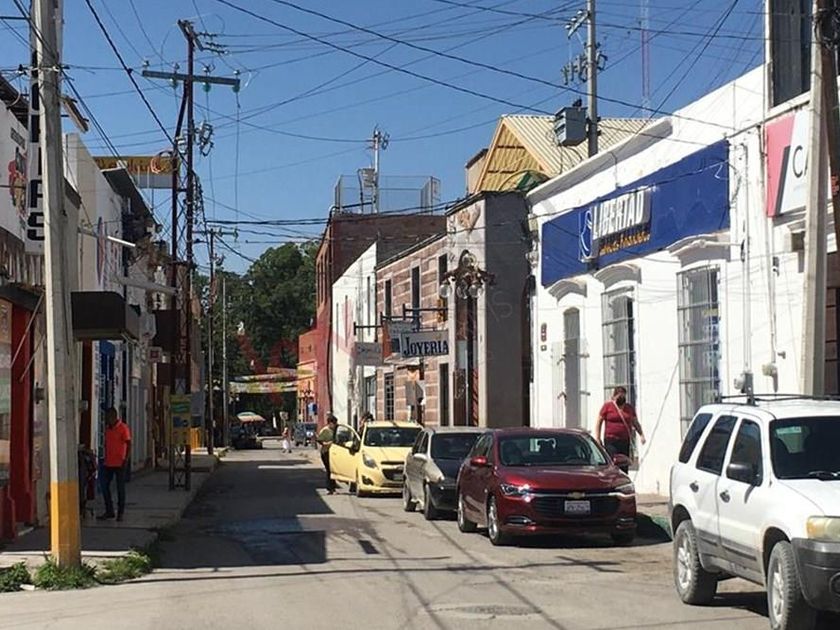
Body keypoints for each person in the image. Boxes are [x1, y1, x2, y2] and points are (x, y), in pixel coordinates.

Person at [594, 386, 646, 473]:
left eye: (623, 396)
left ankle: (623, 480)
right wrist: (598, 438)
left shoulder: (629, 408)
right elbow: (599, 421)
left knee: (624, 463)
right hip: (611, 440)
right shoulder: (608, 406)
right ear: (614, 397)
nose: (621, 398)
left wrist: (641, 435)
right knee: (613, 461)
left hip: (624, 440)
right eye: (619, 396)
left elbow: (635, 422)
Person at [98, 408, 132, 521]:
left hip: (120, 462)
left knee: (120, 488)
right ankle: (109, 510)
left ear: (113, 417)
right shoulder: (108, 429)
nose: (106, 420)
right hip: (109, 462)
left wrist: (126, 459)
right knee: (105, 486)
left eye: (108, 418)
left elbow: (129, 443)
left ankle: (120, 512)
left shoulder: (123, 428)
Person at [316, 414, 338, 494]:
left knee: (333, 470)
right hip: (326, 452)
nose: (335, 425)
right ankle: (330, 488)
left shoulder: (335, 430)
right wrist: (326, 443)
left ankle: (333, 487)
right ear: (330, 423)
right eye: (334, 423)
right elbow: (319, 440)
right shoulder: (325, 430)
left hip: (334, 453)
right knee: (329, 470)